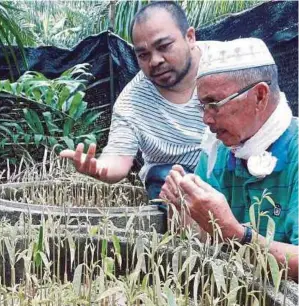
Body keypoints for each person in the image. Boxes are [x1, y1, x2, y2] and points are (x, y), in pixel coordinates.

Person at [159, 38, 298, 281]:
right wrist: (180, 210)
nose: (206, 119)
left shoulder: (295, 150)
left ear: (259, 96)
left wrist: (236, 234)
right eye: (203, 106)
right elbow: (201, 240)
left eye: (214, 104)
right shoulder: (219, 150)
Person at [60, 1, 211, 199]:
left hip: (231, 169)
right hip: (174, 179)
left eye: (164, 46)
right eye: (143, 54)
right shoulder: (132, 101)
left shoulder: (229, 64)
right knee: (168, 179)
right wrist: (99, 167)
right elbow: (117, 156)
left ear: (190, 37)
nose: (155, 60)